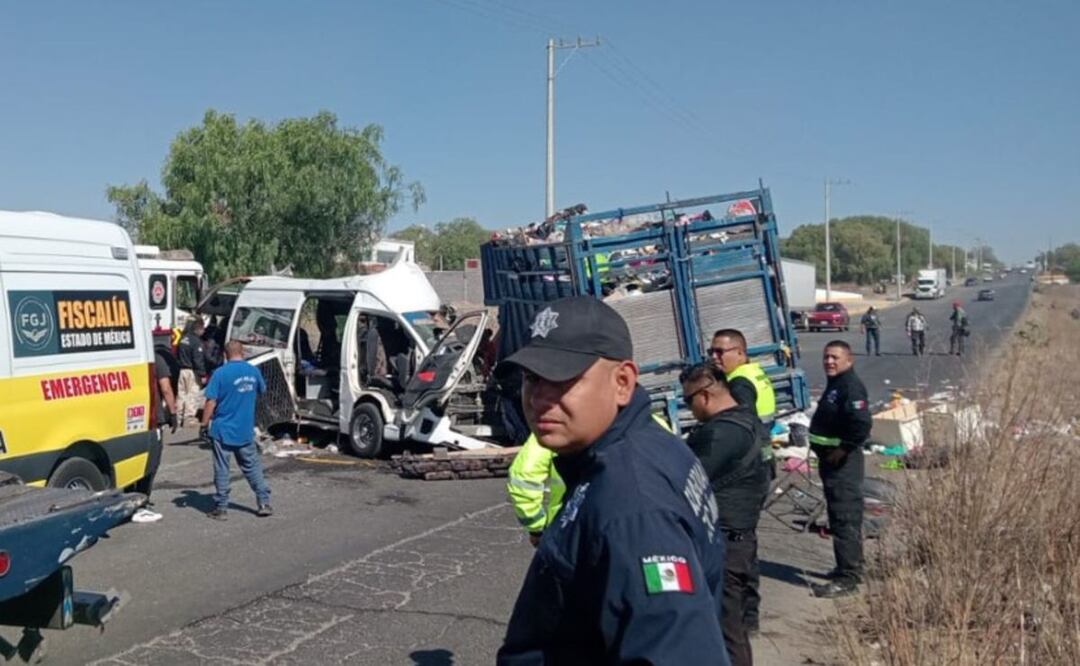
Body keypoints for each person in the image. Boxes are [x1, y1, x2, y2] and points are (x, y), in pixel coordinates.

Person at [496, 296, 730, 665]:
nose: (539, 397)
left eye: (562, 379)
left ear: (622, 382)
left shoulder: (633, 503)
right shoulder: (644, 444)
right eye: (531, 378)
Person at [681, 363, 767, 666]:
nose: (689, 409)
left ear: (704, 396)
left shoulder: (721, 434)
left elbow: (688, 479)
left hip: (726, 543)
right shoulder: (745, 416)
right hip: (739, 539)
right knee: (731, 626)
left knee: (727, 630)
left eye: (687, 401)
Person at [709, 328, 776, 633]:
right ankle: (749, 615)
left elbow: (741, 422)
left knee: (738, 545)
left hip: (749, 470)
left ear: (739, 351)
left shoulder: (740, 382)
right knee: (747, 543)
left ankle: (745, 617)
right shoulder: (755, 372)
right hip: (763, 462)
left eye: (720, 352)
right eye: (712, 352)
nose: (714, 357)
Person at [808, 341, 872, 598]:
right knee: (837, 515)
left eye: (835, 357)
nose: (829, 362)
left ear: (849, 360)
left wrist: (843, 449)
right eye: (826, 357)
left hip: (844, 464)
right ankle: (845, 566)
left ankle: (849, 577)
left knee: (845, 517)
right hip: (832, 463)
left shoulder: (850, 386)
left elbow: (861, 424)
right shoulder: (837, 384)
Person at [200, 340, 272, 520]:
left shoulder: (220, 374)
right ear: (243, 352)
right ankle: (263, 502)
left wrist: (203, 424)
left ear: (225, 354)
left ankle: (222, 508)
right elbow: (262, 391)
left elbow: (211, 401)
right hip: (245, 428)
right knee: (252, 467)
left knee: (222, 469)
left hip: (222, 429)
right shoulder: (253, 371)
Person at [177, 318, 208, 428]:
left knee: (181, 394)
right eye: (203, 329)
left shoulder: (183, 339)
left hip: (182, 370)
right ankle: (189, 418)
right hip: (192, 371)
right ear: (198, 329)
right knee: (192, 394)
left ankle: (179, 417)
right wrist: (202, 374)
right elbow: (197, 359)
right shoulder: (196, 341)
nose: (204, 331)